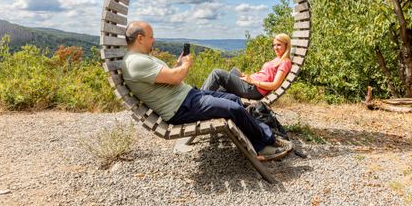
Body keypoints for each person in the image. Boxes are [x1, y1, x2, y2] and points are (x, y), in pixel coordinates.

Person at [121, 21, 292, 161]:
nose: (154, 40)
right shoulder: (135, 62)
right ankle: (263, 145)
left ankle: (263, 134)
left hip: (187, 97)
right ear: (140, 38)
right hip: (181, 107)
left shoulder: (143, 58)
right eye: (151, 37)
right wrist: (186, 65)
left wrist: (178, 65)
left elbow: (166, 77)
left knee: (233, 99)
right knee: (234, 109)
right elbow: (175, 78)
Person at [201, 34, 292, 99]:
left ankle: (199, 99)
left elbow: (274, 85)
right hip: (251, 85)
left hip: (254, 90)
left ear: (286, 45)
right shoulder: (278, 58)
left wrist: (252, 81)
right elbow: (265, 75)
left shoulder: (285, 62)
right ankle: (211, 99)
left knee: (217, 73)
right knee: (234, 71)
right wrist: (249, 77)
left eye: (279, 45)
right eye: (274, 45)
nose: (275, 48)